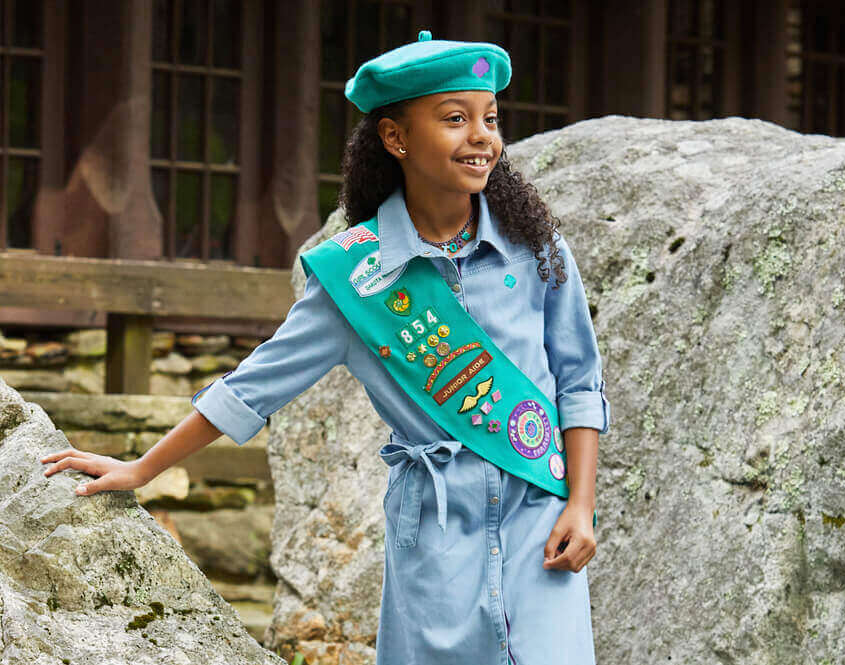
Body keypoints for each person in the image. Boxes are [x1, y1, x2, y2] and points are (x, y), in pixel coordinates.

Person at [40, 29, 611, 665]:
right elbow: (252, 386)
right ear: (395, 138)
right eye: (456, 119)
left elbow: (578, 382)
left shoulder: (538, 251)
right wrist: (141, 468)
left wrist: (581, 506)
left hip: (541, 517)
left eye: (491, 119)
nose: (482, 137)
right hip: (436, 535)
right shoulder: (351, 281)